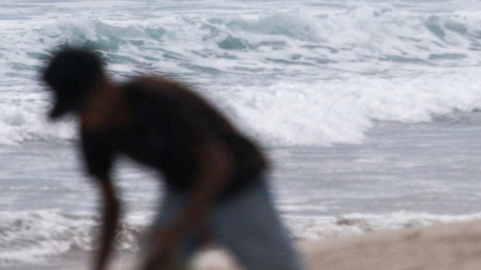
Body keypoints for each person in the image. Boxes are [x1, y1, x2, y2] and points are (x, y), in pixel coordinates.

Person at [41, 45, 304, 270]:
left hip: (239, 182)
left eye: (82, 105)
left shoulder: (155, 98)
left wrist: (181, 226)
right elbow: (111, 204)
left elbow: (217, 162)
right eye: (73, 110)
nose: (82, 117)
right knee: (156, 261)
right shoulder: (93, 130)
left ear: (104, 86)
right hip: (182, 187)